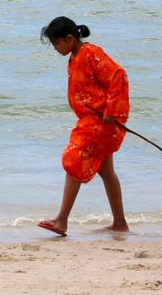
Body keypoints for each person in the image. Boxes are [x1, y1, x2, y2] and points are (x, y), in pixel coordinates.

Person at [37, 16, 130, 236]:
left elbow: (119, 75)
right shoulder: (75, 56)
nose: (56, 48)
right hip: (91, 120)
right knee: (107, 172)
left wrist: (111, 111)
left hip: (98, 122)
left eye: (57, 43)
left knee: (73, 158)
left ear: (69, 38)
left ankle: (61, 220)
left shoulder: (91, 53)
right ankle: (120, 223)